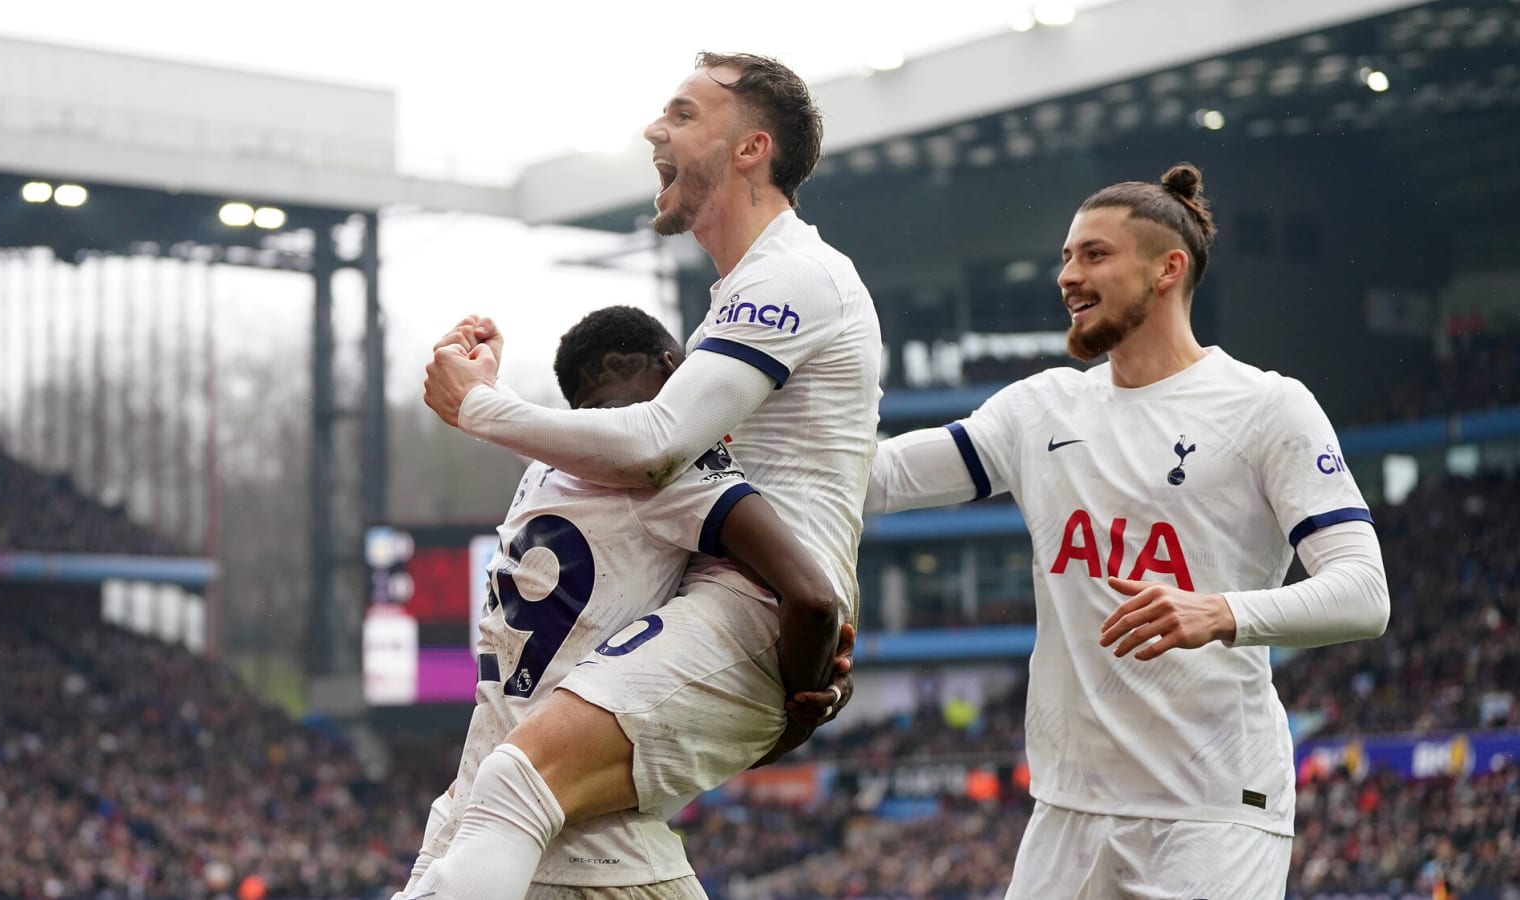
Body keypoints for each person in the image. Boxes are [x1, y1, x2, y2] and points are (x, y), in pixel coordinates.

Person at [411, 51, 883, 898]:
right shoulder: (743, 303)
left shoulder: (791, 277)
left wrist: (481, 406)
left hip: (758, 609)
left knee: (514, 788)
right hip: (741, 618)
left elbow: (654, 445)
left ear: (750, 149)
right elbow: (849, 469)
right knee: (562, 837)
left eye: (684, 113)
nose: (653, 130)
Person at [862, 163, 1390, 897]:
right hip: (1070, 807)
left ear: (1167, 269)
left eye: (1094, 255)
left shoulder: (1267, 407)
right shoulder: (1039, 408)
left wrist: (1223, 612)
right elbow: (877, 480)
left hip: (1213, 810)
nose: (1067, 276)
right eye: (1067, 257)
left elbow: (1365, 595)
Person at [396, 305, 852, 898]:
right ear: (667, 365)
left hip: (469, 823)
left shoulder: (540, 472)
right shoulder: (668, 467)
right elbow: (813, 597)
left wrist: (484, 384)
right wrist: (795, 714)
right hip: (588, 845)